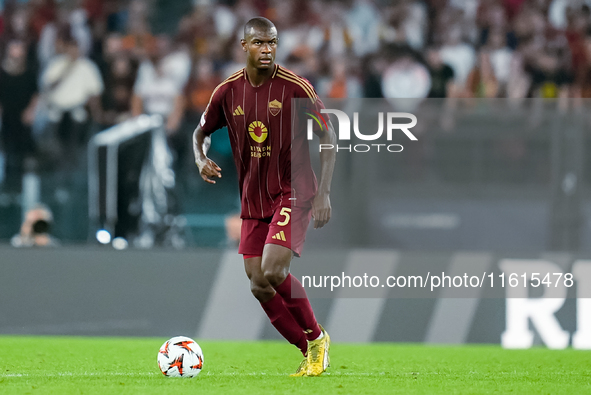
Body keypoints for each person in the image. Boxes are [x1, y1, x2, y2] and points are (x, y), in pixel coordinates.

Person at [193, 17, 336, 377]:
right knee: (258, 282)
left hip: (293, 190)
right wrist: (200, 158)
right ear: (244, 46)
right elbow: (200, 132)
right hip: (253, 200)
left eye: (272, 42)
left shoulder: (295, 87)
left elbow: (328, 137)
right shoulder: (227, 92)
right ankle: (308, 349)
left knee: (273, 270)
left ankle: (318, 338)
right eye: (259, 43)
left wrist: (324, 193)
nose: (267, 49)